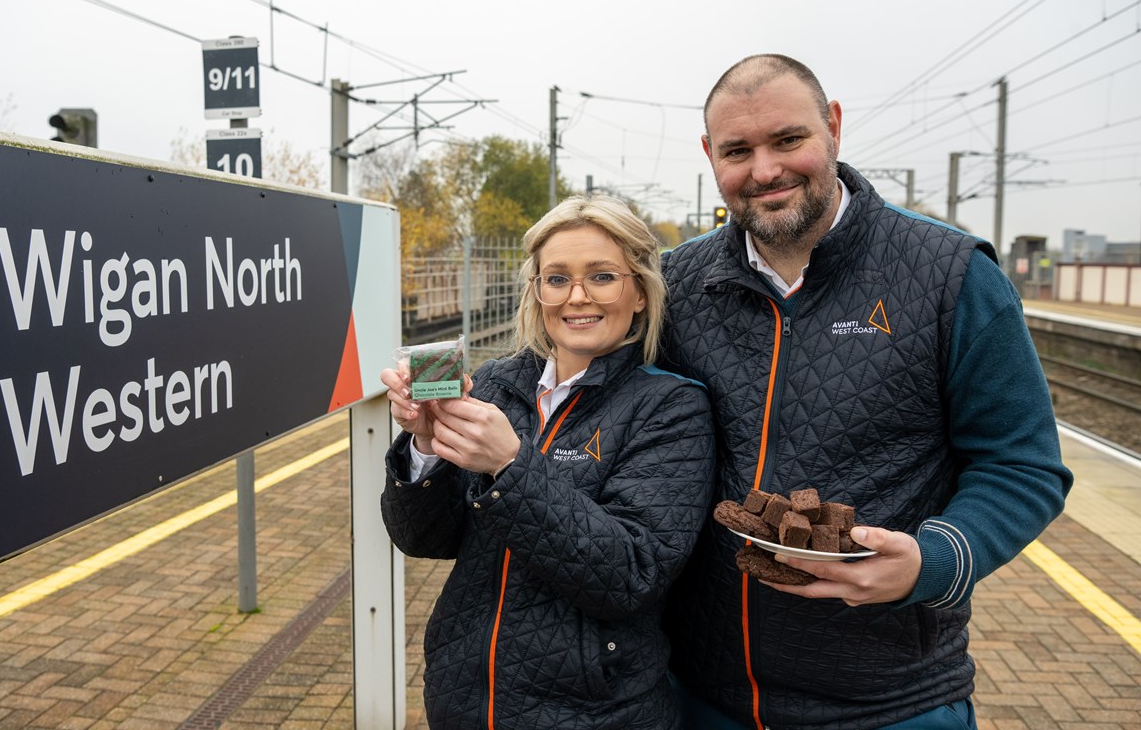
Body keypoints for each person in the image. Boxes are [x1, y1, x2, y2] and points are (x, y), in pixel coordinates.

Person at [660, 53, 1074, 730]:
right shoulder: (675, 284)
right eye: (738, 150)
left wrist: (933, 560)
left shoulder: (952, 276)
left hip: (892, 702)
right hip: (703, 695)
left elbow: (1022, 465)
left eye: (788, 140)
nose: (765, 170)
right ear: (710, 155)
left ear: (833, 127)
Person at [380, 195, 716, 729]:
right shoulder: (494, 386)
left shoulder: (671, 408)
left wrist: (511, 466)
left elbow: (633, 573)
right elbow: (424, 539)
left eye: (602, 276)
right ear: (537, 293)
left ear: (640, 295)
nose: (576, 297)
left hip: (594, 713)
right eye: (556, 278)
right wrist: (424, 447)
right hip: (466, 700)